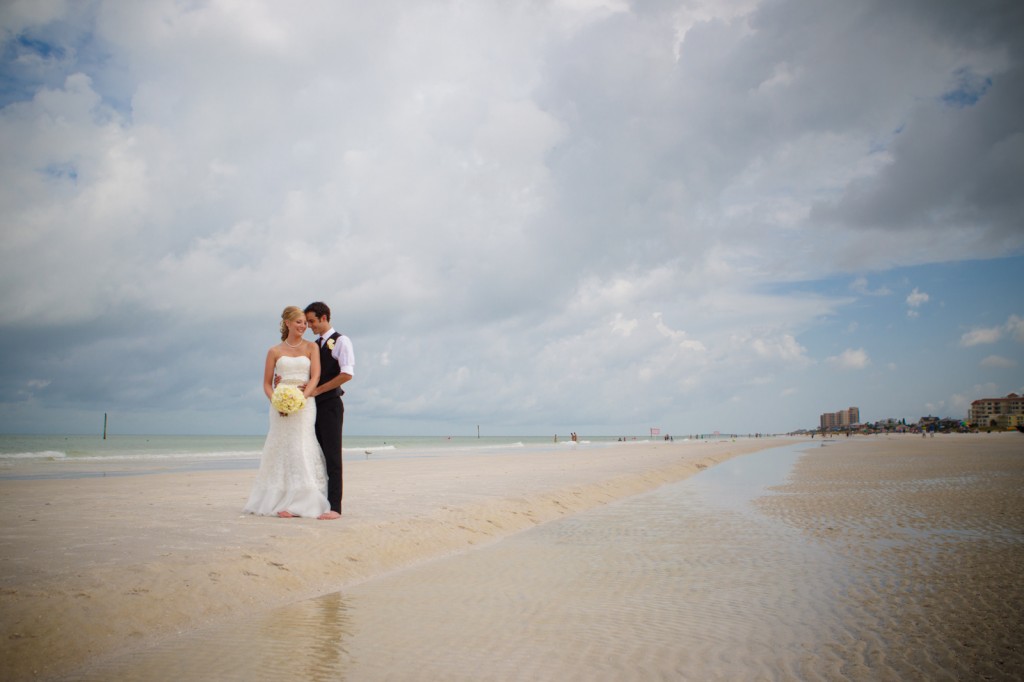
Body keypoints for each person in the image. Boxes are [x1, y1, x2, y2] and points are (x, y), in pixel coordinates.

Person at [244, 306, 330, 519]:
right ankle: (279, 499)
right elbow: (265, 383)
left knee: (300, 444)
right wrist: (277, 402)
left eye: (305, 323)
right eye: (299, 322)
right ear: (288, 323)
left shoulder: (311, 348)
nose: (303, 326)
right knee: (281, 447)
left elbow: (315, 377)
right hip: (279, 406)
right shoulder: (274, 351)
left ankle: (302, 500)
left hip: (305, 403)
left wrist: (301, 399)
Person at [304, 301, 354, 519]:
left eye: (312, 321)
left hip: (331, 405)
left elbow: (346, 374)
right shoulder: (314, 345)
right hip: (312, 408)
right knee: (316, 456)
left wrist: (319, 390)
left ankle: (335, 507)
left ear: (324, 318)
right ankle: (316, 502)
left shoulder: (342, 341)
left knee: (333, 457)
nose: (309, 326)